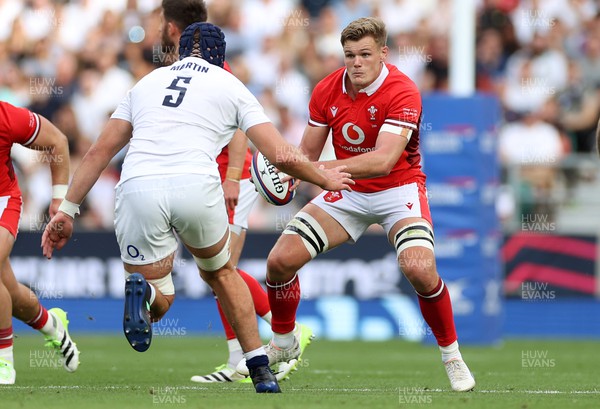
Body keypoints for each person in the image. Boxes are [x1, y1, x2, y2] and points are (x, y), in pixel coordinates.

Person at [41, 22, 352, 393]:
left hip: (138, 185)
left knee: (160, 299)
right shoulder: (230, 84)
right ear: (221, 57)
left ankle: (144, 290)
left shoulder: (147, 83)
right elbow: (280, 154)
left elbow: (98, 152)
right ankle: (259, 369)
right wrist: (321, 176)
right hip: (196, 186)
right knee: (222, 273)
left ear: (179, 51)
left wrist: (67, 211)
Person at [236, 17, 476, 392]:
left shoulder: (403, 90)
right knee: (279, 261)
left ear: (383, 53)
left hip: (398, 189)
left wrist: (316, 169)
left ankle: (452, 355)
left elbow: (382, 160)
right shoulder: (326, 90)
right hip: (347, 189)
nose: (357, 63)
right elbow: (307, 154)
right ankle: (284, 342)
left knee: (419, 270)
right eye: (349, 55)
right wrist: (290, 173)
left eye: (365, 54)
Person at [160, 0, 313, 384]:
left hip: (232, 179)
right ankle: (263, 346)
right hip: (210, 179)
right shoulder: (191, 67)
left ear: (171, 28)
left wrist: (230, 176)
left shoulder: (216, 67)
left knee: (219, 270)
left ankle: (276, 340)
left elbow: (242, 125)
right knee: (215, 272)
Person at [0, 101, 79, 384]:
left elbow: (57, 140)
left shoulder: (5, 116)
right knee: (11, 292)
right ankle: (52, 325)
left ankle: (3, 361)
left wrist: (59, 198)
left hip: (3, 202)